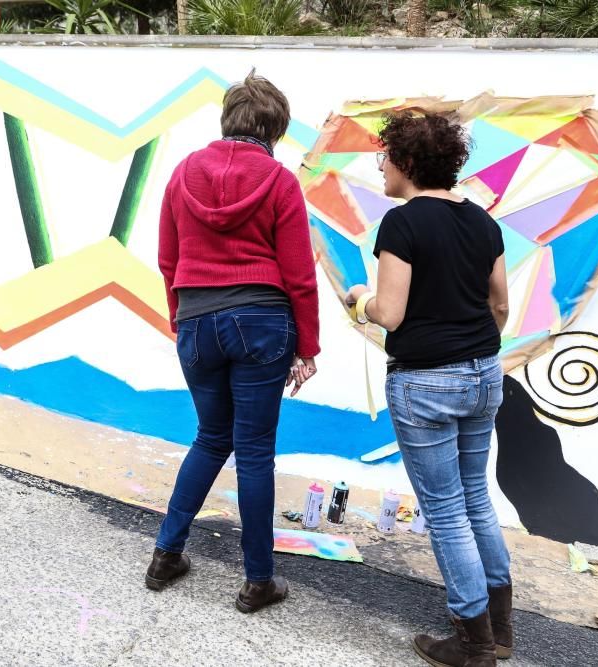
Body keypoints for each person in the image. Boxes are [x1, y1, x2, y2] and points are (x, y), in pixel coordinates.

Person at [145, 71, 320, 614]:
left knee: (210, 438)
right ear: (276, 128)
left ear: (229, 120)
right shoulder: (279, 180)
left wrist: (183, 320)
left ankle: (166, 555)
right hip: (263, 321)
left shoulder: (182, 174)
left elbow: (168, 260)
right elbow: (298, 273)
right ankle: (258, 581)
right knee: (254, 454)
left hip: (197, 320)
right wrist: (307, 346)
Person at [345, 112, 512, 666]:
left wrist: (356, 299)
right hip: (483, 373)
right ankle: (501, 628)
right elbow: (501, 306)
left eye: (385, 157)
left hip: (425, 384)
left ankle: (474, 643)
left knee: (444, 510)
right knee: (475, 497)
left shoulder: (402, 224)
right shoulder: (484, 223)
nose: (382, 168)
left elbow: (389, 313)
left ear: (408, 163)